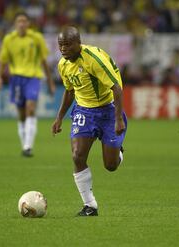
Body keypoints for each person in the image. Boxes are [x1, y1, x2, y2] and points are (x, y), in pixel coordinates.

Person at [51, 26, 127, 216]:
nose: (63, 49)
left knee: (110, 166)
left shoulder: (94, 59)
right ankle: (90, 205)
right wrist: (59, 117)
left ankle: (118, 152)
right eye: (60, 45)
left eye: (67, 45)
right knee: (77, 156)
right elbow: (70, 91)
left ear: (78, 43)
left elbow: (116, 88)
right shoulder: (63, 65)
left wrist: (118, 119)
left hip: (108, 110)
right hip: (84, 111)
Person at [0, 12, 55, 157]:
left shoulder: (36, 38)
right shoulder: (9, 39)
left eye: (24, 21)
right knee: (21, 114)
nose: (22, 24)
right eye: (19, 21)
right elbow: (3, 60)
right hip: (16, 78)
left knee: (30, 107)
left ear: (28, 24)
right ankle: (24, 144)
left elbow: (44, 61)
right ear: (15, 25)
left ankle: (28, 146)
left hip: (33, 77)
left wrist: (50, 81)